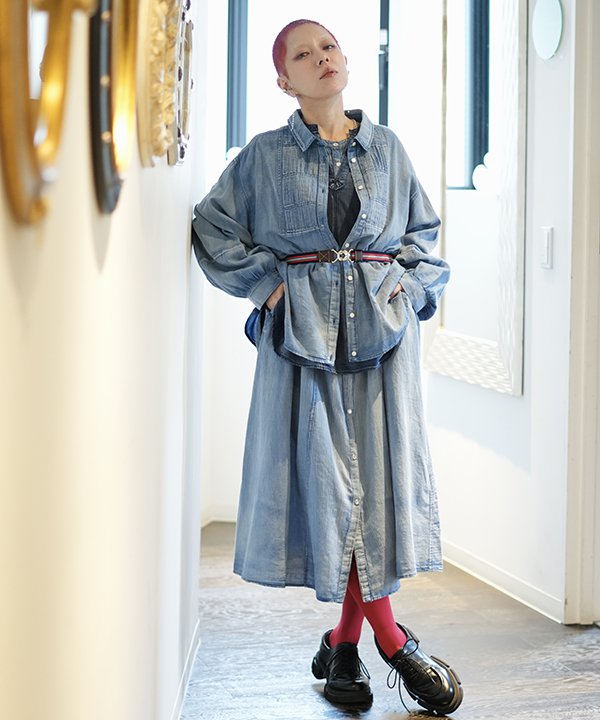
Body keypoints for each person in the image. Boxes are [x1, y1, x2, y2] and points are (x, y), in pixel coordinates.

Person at [192, 18, 463, 715]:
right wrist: (267, 285)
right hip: (302, 340)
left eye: (329, 47)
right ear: (284, 80)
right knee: (330, 490)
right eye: (303, 54)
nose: (322, 59)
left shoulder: (389, 148)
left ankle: (345, 645)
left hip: (382, 339)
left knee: (370, 491)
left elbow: (424, 236)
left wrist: (409, 286)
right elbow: (212, 226)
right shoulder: (264, 155)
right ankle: (393, 641)